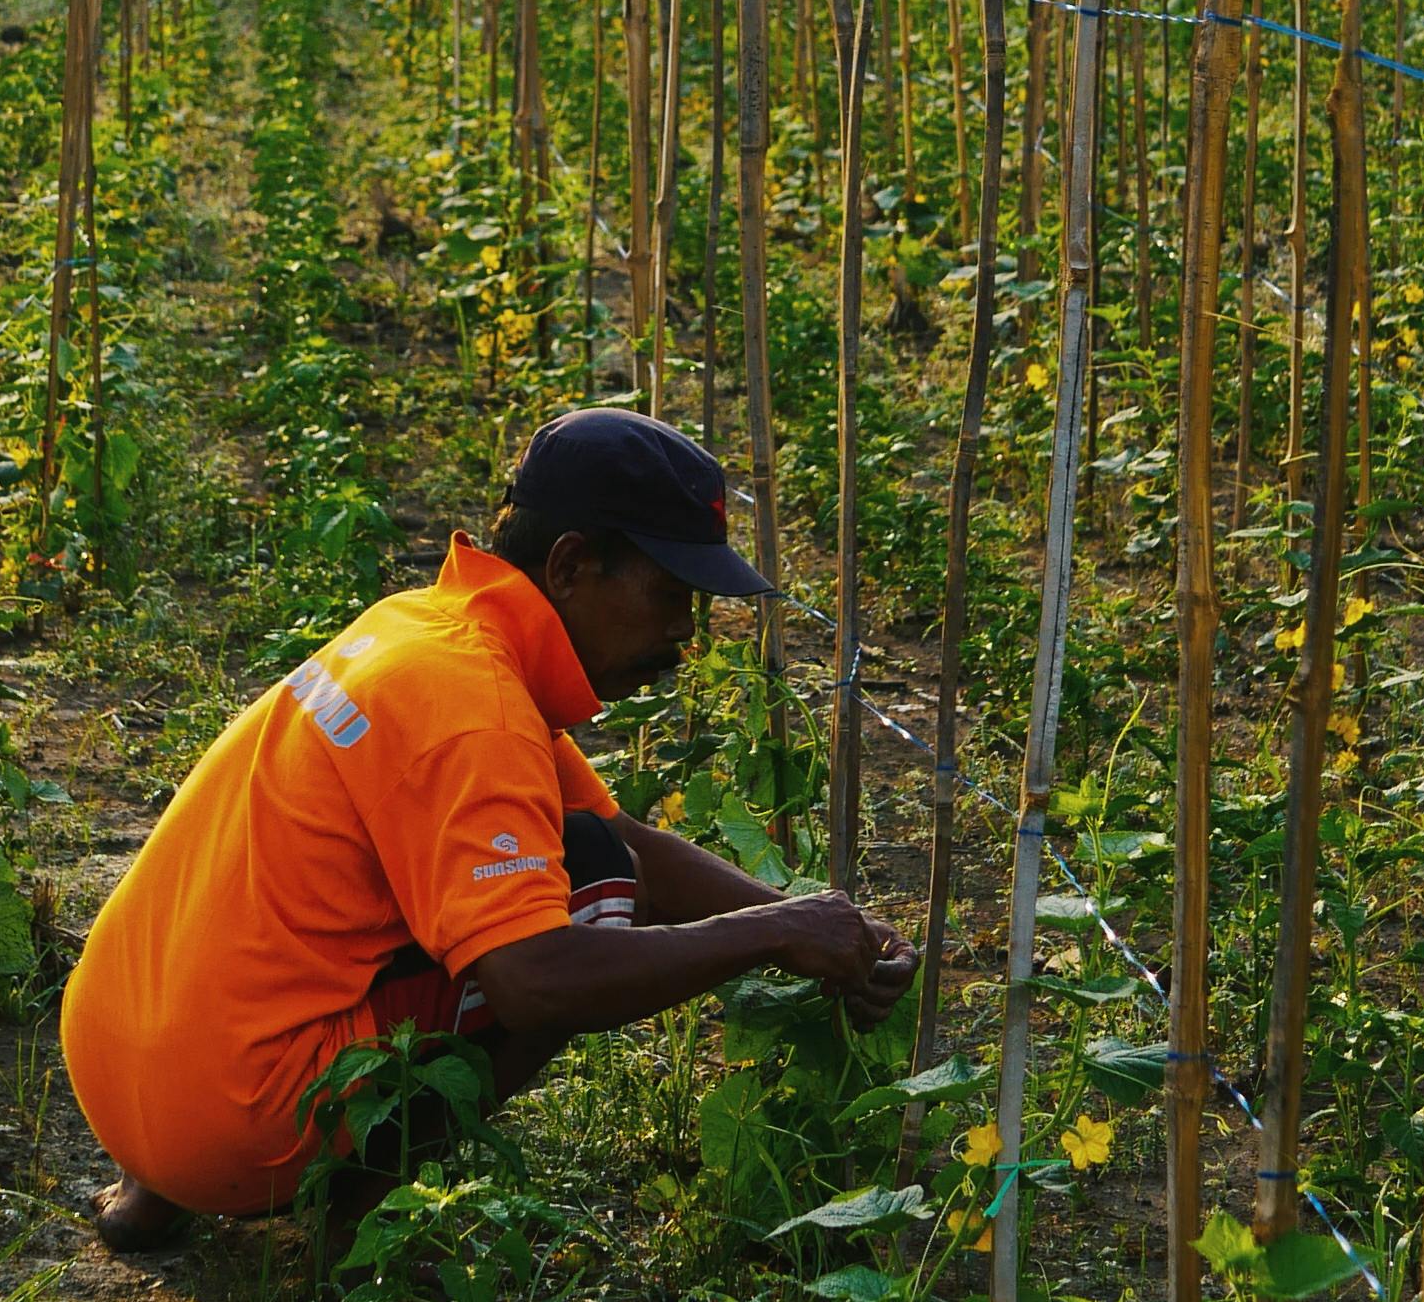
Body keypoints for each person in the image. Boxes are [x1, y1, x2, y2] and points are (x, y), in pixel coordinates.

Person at [60, 406, 916, 1247]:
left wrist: (809, 919)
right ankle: (356, 1218)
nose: (685, 632)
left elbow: (629, 834)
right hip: (241, 1121)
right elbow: (537, 979)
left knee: (583, 855)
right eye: (669, 594)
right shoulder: (480, 712)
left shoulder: (426, 628)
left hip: (117, 1064)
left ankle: (156, 1188)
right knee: (587, 894)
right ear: (573, 563)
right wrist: (771, 933)